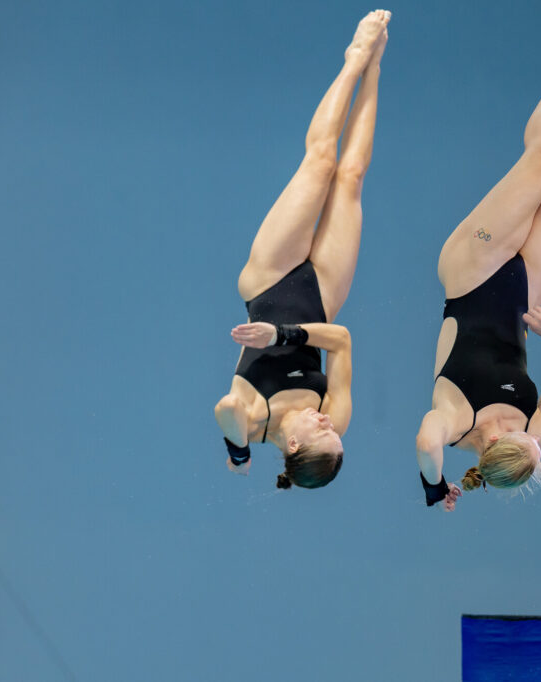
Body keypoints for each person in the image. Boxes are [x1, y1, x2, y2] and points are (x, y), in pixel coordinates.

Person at [415, 17, 541, 511]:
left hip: (471, 271)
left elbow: (426, 442)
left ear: (497, 444)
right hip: (526, 295)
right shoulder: (538, 430)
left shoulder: (455, 420)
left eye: (525, 442)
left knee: (540, 161)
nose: (533, 437)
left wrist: (434, 487)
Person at [215, 10, 390, 490]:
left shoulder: (253, 418)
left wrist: (238, 453)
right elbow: (342, 340)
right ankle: (374, 67)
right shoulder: (336, 414)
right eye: (337, 435)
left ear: (293, 446)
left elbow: (225, 408)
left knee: (320, 163)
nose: (331, 425)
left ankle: (354, 58)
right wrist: (282, 336)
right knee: (351, 177)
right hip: (322, 299)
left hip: (268, 282)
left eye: (323, 434)